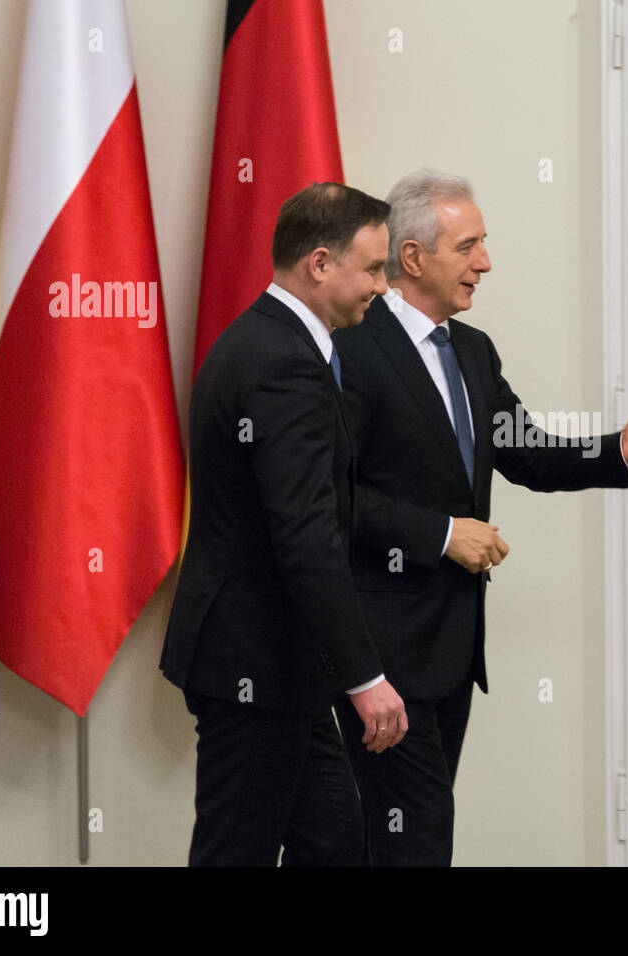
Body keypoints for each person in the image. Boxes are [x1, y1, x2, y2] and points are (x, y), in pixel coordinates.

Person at [332, 169, 628, 865]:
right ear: (413, 258)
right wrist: (442, 535)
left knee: (411, 838)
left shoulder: (471, 349)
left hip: (451, 650)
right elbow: (334, 496)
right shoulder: (351, 345)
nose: (485, 263)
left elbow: (524, 453)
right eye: (469, 246)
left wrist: (618, 450)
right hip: (379, 650)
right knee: (413, 839)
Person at [160, 182, 407, 866]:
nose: (383, 288)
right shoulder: (280, 365)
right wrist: (365, 678)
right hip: (253, 659)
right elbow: (304, 536)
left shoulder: (270, 343)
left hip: (280, 665)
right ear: (320, 264)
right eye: (373, 269)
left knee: (331, 841)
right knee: (234, 851)